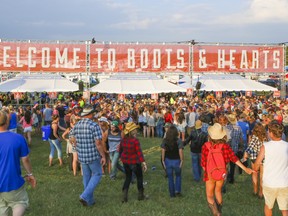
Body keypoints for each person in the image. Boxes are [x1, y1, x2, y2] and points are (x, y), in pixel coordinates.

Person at [201, 123, 254, 216]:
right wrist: (245, 169)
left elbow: (203, 163)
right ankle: (219, 211)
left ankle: (216, 213)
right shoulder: (225, 146)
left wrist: (207, 171)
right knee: (218, 191)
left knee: (209, 195)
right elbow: (234, 159)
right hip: (222, 173)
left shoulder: (206, 146)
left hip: (210, 173)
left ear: (210, 135)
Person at [0, 110, 36, 216]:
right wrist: (30, 174)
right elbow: (25, 159)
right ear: (7, 122)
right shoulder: (18, 138)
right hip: (12, 182)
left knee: (2, 207)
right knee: (19, 202)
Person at [69, 105, 106, 206]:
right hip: (93, 155)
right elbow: (98, 143)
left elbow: (71, 138)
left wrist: (77, 146)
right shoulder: (94, 126)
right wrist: (103, 156)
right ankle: (85, 196)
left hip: (82, 155)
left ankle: (89, 200)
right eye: (93, 113)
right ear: (90, 114)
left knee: (86, 176)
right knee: (97, 174)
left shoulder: (76, 125)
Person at [253, 121, 288, 216]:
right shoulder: (286, 146)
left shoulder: (266, 146)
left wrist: (256, 168)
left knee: (268, 206)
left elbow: (256, 165)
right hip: (284, 182)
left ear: (271, 133)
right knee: (284, 209)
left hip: (270, 183)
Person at [119, 122, 147, 203]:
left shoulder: (123, 140)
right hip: (135, 162)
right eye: (134, 129)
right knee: (139, 177)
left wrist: (122, 157)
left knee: (128, 177)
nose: (136, 130)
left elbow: (120, 150)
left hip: (126, 162)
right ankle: (141, 195)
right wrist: (143, 162)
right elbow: (139, 152)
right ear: (132, 131)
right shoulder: (135, 141)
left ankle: (124, 196)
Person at [242, 123, 268, 199]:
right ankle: (261, 193)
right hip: (263, 158)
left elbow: (250, 147)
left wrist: (245, 154)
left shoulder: (254, 137)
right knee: (262, 176)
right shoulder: (265, 138)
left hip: (254, 158)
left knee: (254, 174)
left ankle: (255, 191)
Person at [161, 125, 184, 197]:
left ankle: (172, 194)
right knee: (178, 175)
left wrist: (163, 161)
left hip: (168, 161)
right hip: (176, 161)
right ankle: (177, 190)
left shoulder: (165, 140)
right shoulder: (178, 141)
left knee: (170, 177)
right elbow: (180, 151)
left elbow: (163, 151)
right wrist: (182, 160)